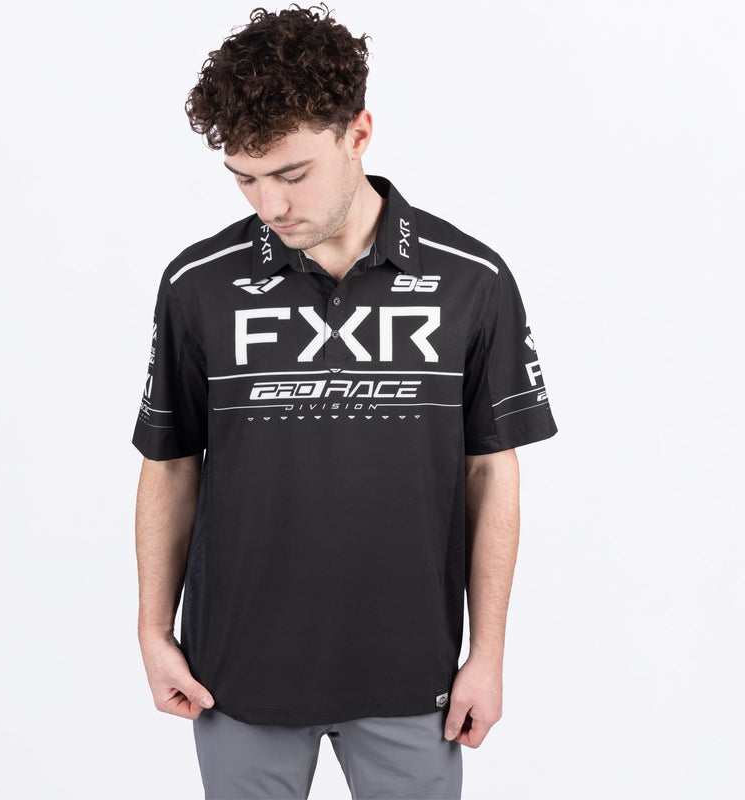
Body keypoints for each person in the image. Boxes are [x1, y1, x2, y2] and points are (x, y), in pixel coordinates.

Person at [132, 4, 558, 798]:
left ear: (358, 133)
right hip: (235, 676)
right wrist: (153, 630)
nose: (269, 206)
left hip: (413, 676)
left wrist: (488, 655)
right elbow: (171, 461)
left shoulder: (472, 278)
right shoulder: (198, 284)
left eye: (292, 175)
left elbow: (489, 472)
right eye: (246, 179)